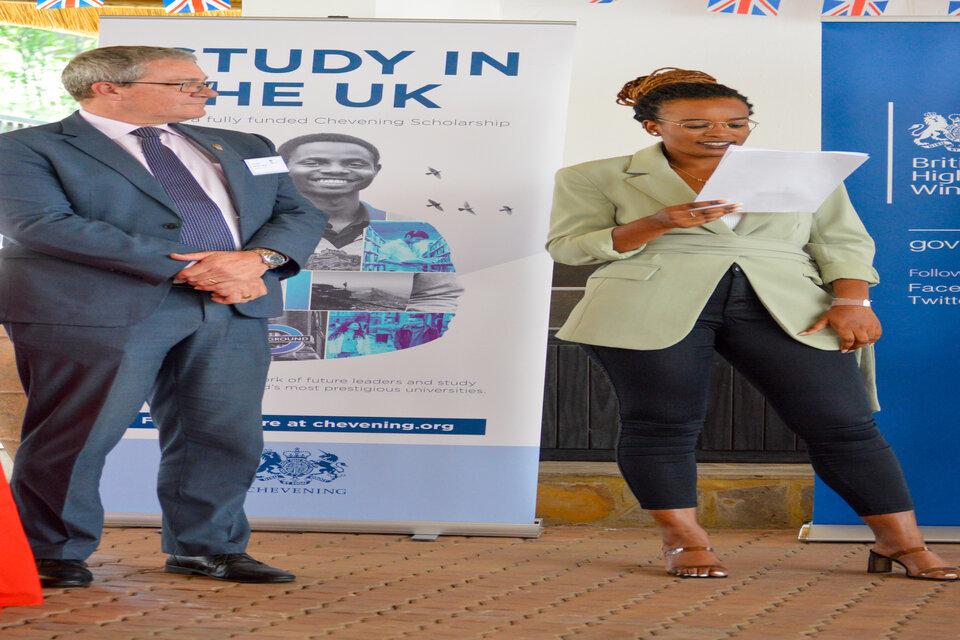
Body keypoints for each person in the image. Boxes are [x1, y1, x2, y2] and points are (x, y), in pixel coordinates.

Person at [547, 67, 958, 581]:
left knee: (843, 424)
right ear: (654, 126)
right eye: (696, 124)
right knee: (662, 424)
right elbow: (568, 247)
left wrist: (854, 299)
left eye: (736, 123)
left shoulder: (800, 171)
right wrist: (656, 222)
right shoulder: (593, 175)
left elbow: (842, 240)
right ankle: (684, 540)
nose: (720, 133)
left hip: (787, 302)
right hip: (645, 301)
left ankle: (902, 543)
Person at [0, 46, 328, 588]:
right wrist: (196, 268)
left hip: (232, 302)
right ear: (108, 88)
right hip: (93, 310)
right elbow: (41, 224)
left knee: (223, 434)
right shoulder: (24, 147)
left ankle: (208, 547)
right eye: (184, 84)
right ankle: (51, 552)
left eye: (203, 82)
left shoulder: (248, 145)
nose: (205, 92)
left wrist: (259, 260)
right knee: (77, 434)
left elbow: (298, 212)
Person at [278, 133, 386, 270]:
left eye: (355, 164)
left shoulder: (403, 224)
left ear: (375, 170)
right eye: (313, 163)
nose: (335, 170)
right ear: (282, 167)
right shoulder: (261, 223)